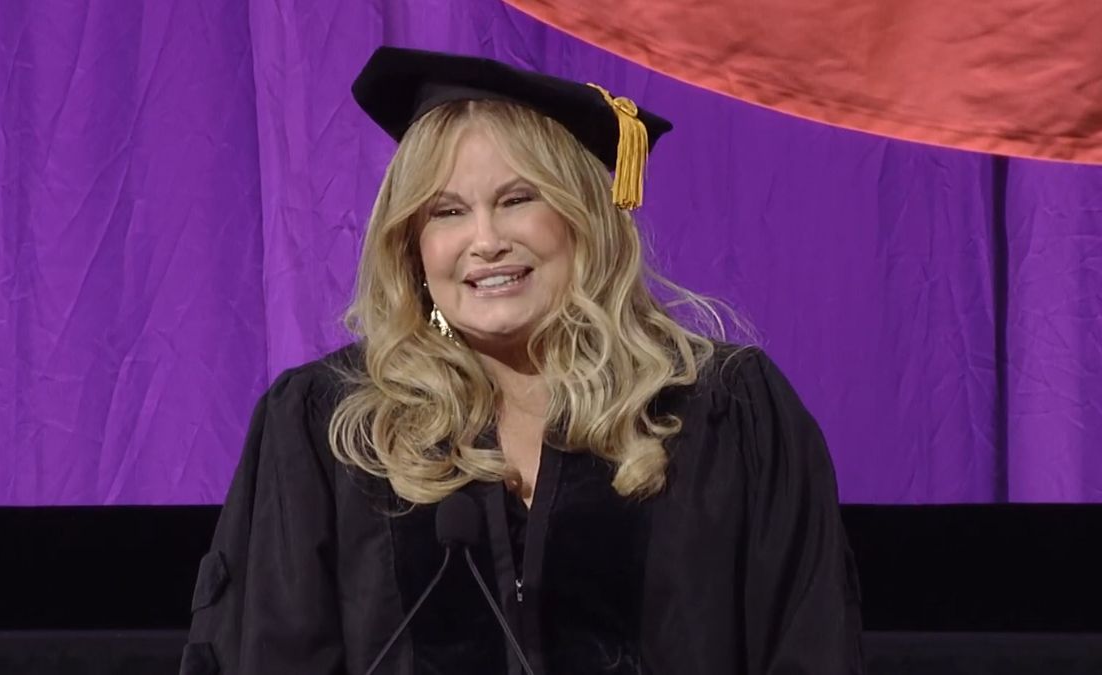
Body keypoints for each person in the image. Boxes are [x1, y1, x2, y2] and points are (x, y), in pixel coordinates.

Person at [180, 46, 863, 675]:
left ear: (583, 217)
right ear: (412, 247)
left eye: (517, 199)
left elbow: (810, 649)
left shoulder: (721, 413)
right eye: (446, 211)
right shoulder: (336, 432)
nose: (485, 241)